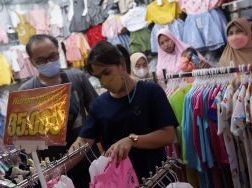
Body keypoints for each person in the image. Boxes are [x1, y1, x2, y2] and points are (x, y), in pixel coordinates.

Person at [69, 41, 178, 182]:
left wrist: (132, 140)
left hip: (157, 177)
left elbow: (168, 135)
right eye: (98, 77)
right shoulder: (99, 105)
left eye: (106, 73)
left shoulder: (151, 92)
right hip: (120, 181)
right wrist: (56, 170)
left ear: (122, 65)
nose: (103, 82)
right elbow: (83, 141)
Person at [19, 34, 98, 188]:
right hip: (53, 167)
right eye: (41, 60)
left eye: (52, 56)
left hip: (86, 156)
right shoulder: (26, 92)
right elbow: (26, 141)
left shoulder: (77, 78)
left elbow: (96, 114)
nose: (48, 62)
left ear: (59, 52)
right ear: (32, 61)